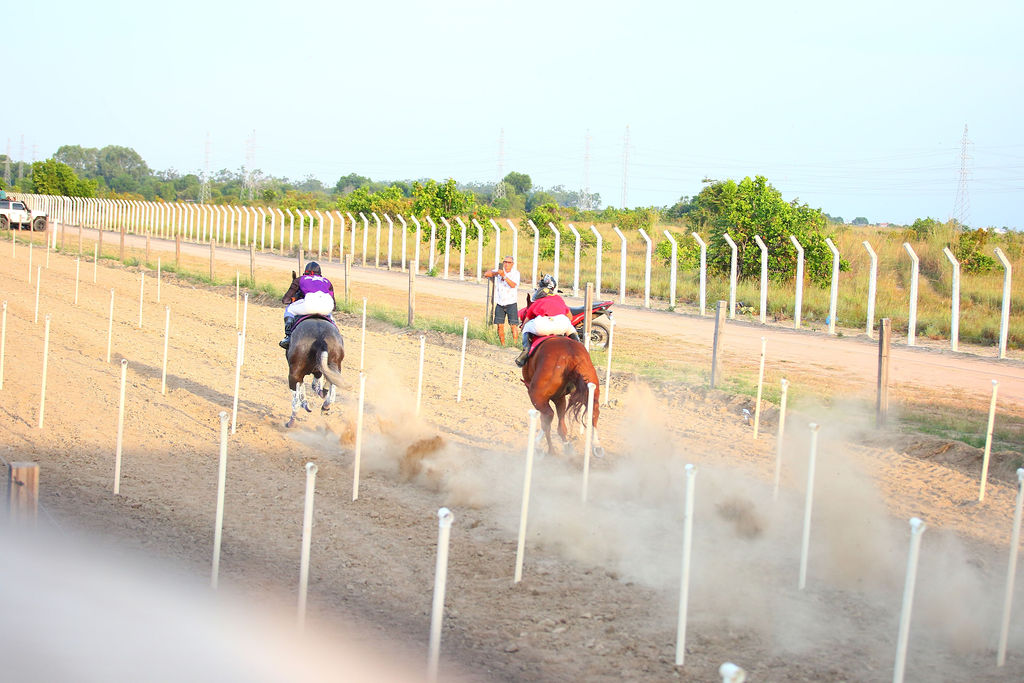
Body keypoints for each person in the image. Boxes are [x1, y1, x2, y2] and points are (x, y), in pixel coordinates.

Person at [515, 275, 581, 367]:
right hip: (561, 324)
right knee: (571, 328)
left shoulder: (537, 302)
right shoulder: (558, 298)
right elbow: (570, 317)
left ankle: (525, 352)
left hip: (542, 326)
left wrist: (522, 328)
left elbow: (526, 320)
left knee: (526, 327)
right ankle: (580, 349)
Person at [279, 261, 336, 349]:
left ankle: (288, 336)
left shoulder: (301, 279)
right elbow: (334, 306)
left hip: (309, 305)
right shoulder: (327, 281)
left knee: (289, 309)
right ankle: (336, 335)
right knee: (331, 316)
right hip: (327, 306)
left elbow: (285, 300)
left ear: (306, 271)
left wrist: (294, 299)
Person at [483, 255, 521, 345]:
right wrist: (497, 273)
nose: (507, 264)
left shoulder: (515, 273)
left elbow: (513, 285)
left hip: (511, 302)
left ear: (512, 264)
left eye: (509, 262)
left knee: (513, 325)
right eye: (505, 262)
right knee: (500, 325)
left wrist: (504, 276)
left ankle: (515, 344)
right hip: (500, 302)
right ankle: (502, 344)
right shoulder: (499, 270)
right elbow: (486, 274)